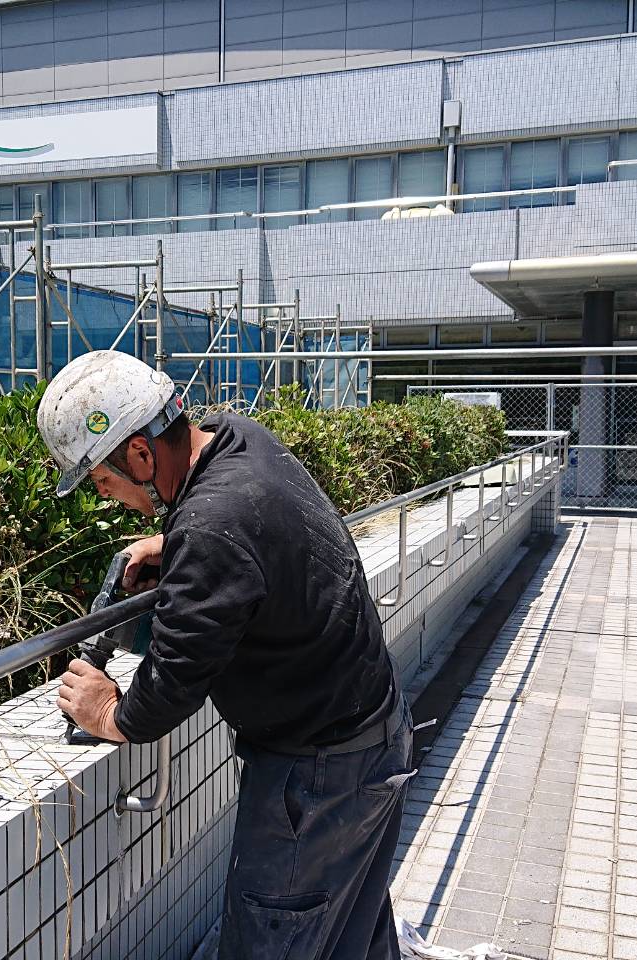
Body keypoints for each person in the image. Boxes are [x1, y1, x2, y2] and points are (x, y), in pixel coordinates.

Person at [37, 350, 414, 960]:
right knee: (350, 936)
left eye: (104, 481)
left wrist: (108, 711)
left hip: (317, 776)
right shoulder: (237, 439)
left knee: (270, 942)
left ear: (140, 454)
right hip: (371, 734)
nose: (108, 498)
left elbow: (173, 681)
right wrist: (176, 542)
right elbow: (252, 524)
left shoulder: (213, 526)